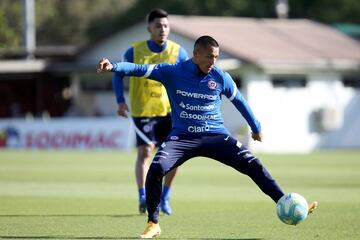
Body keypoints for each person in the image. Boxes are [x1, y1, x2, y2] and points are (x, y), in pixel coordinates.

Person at [97, 35, 318, 239]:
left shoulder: (220, 77)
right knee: (156, 168)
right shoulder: (172, 72)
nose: (213, 61)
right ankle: (153, 223)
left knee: (253, 164)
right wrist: (113, 66)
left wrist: (256, 127)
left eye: (216, 57)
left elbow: (240, 101)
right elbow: (137, 68)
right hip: (182, 138)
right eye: (209, 56)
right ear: (196, 55)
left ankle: (285, 202)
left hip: (216, 136)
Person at [112, 9, 188, 215]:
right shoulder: (134, 51)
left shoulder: (178, 52)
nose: (162, 29)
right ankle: (142, 196)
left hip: (170, 113)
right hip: (142, 111)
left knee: (175, 157)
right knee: (145, 152)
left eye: (165, 25)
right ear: (149, 28)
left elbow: (188, 78)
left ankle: (165, 196)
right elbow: (118, 74)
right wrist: (120, 101)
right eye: (158, 26)